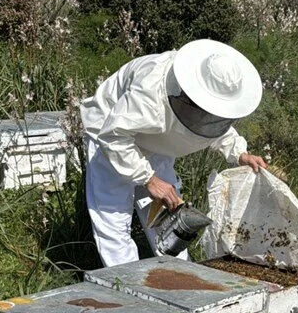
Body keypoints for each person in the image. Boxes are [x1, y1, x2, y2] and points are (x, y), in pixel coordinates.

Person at [80, 39, 268, 267]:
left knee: (170, 208)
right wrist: (148, 179)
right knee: (115, 217)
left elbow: (214, 121)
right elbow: (114, 134)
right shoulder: (150, 89)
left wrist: (239, 153)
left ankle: (177, 277)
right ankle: (126, 284)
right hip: (112, 135)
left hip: (158, 138)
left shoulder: (202, 103)